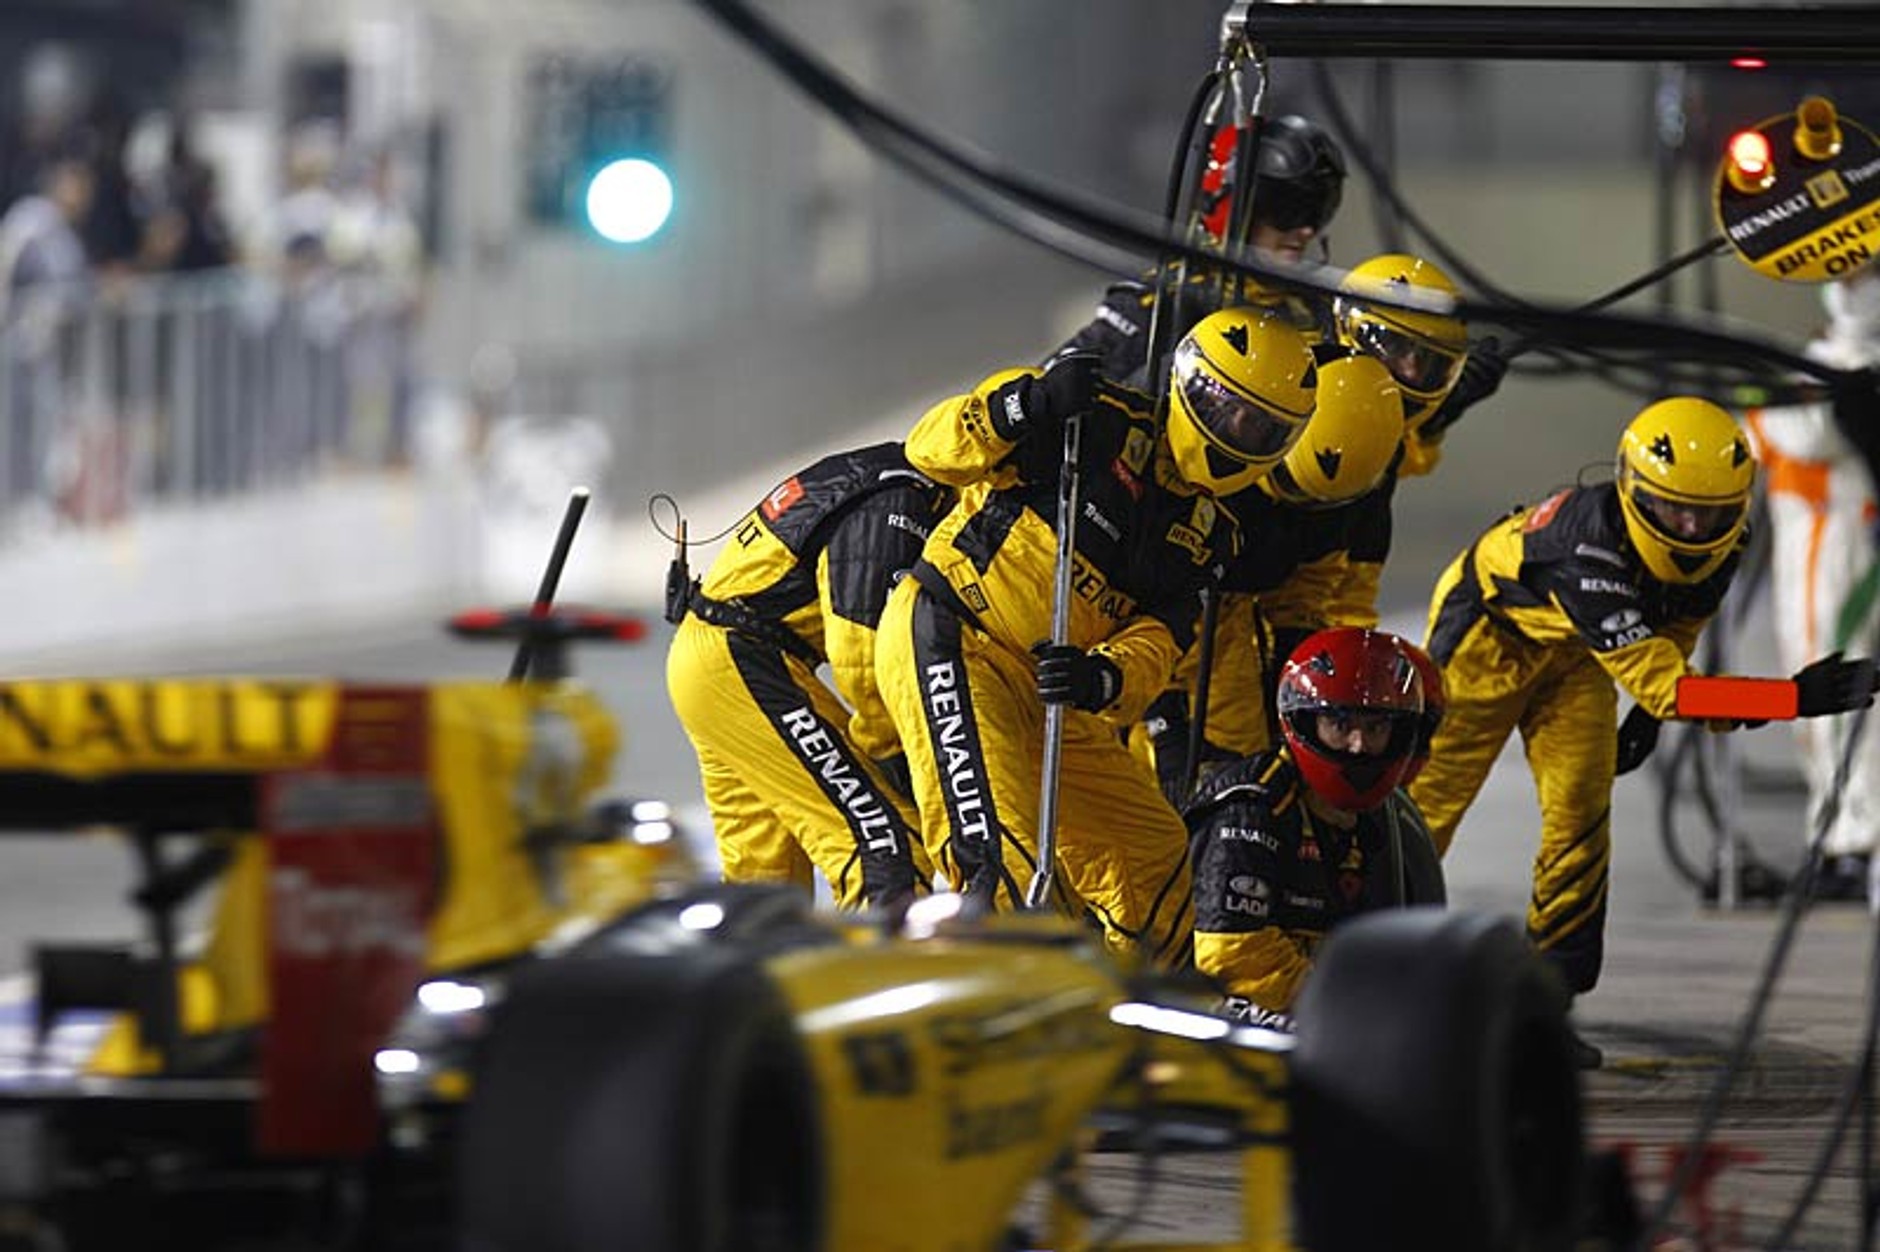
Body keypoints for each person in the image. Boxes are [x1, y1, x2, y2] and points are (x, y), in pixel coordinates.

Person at [1407, 396, 1878, 1067]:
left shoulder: (1728, 542)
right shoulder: (1585, 553)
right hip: (1490, 638)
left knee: (1579, 821)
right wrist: (1794, 698)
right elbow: (1668, 682)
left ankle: (1544, 1004)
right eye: (1671, 509)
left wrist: (1652, 717)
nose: (1690, 528)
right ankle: (1367, 974)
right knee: (1423, 816)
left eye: (1709, 513)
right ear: (1631, 489)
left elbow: (1673, 636)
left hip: (1579, 656)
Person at [875, 307, 1318, 966]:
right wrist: (1022, 406)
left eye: (1263, 428)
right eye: (1228, 410)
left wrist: (1103, 676)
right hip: (955, 640)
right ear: (1190, 385)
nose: (1237, 434)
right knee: (1003, 863)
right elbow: (929, 447)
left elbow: (1160, 642)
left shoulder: (1211, 531)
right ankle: (1005, 1029)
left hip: (1053, 693)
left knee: (1158, 864)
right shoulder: (1090, 420)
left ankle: (1123, 1011)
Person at [666, 441, 950, 911]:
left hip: (711, 660)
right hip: (747, 659)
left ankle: (754, 982)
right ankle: (873, 980)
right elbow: (860, 647)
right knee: (885, 846)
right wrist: (893, 753)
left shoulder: (878, 470)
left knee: (763, 889)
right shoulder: (901, 497)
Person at [1186, 627, 1441, 1029]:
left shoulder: (1384, 819)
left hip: (1321, 1002)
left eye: (1375, 728)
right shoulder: (1253, 805)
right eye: (1340, 725)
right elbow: (1231, 952)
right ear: (1305, 721)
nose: (1358, 745)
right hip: (1223, 1011)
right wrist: (1345, 1008)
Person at [1742, 263, 1880, 903]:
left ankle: (1858, 839)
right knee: (1816, 693)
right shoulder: (1827, 358)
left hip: (1845, 540)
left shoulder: (1853, 362)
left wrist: (1768, 406)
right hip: (1809, 543)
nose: (1852, 284)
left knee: (1848, 691)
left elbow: (1805, 430)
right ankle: (1838, 834)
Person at [1050, 113, 1348, 387]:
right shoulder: (1165, 302)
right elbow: (1050, 393)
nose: (1306, 230)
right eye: (1288, 210)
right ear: (1231, 207)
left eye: (1318, 211)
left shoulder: (1325, 308)